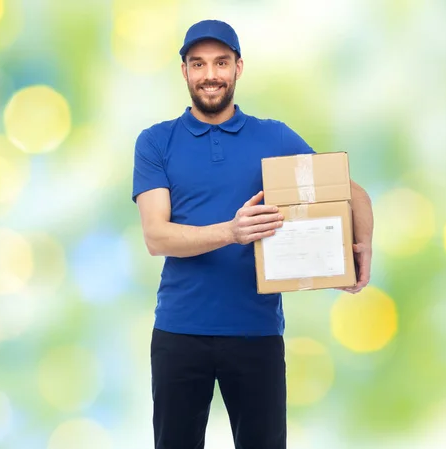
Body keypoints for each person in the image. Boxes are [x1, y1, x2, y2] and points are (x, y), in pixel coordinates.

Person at [132, 19, 374, 449]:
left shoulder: (274, 136)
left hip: (256, 332)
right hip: (180, 333)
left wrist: (359, 253)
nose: (210, 75)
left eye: (221, 63)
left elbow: (351, 193)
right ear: (184, 71)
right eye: (199, 64)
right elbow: (157, 236)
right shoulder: (156, 142)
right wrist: (232, 231)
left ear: (239, 67)